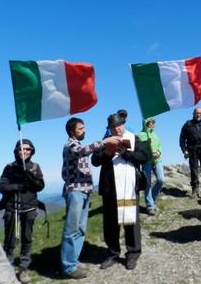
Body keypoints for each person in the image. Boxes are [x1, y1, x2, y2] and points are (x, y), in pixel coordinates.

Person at [60, 117, 120, 279]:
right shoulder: (71, 145)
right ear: (72, 131)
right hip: (75, 192)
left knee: (80, 229)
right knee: (72, 230)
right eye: (80, 128)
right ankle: (68, 266)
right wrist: (105, 141)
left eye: (84, 127)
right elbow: (84, 151)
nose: (84, 130)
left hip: (84, 192)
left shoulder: (76, 144)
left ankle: (73, 260)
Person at [92, 113, 149, 270]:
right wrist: (108, 152)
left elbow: (144, 156)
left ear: (124, 124)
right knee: (111, 222)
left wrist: (126, 153)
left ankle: (133, 253)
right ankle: (112, 253)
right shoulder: (106, 140)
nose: (117, 128)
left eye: (119, 125)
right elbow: (95, 160)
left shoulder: (134, 138)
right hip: (111, 188)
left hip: (129, 186)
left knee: (131, 221)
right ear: (110, 128)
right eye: (113, 126)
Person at [0, 139, 45, 284]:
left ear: (32, 151)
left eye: (28, 149)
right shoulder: (9, 168)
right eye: (21, 149)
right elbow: (2, 187)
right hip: (12, 207)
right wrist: (18, 186)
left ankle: (23, 268)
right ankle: (9, 266)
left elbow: (40, 186)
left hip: (29, 208)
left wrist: (30, 178)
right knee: (10, 240)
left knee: (27, 238)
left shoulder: (35, 167)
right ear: (16, 151)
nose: (24, 152)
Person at [180, 107, 201, 202]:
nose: (198, 114)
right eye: (196, 113)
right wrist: (184, 150)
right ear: (193, 114)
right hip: (192, 150)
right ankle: (195, 190)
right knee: (194, 170)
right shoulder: (188, 124)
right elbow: (182, 138)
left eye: (200, 113)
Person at [138, 117, 164, 215]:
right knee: (147, 184)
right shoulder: (140, 135)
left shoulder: (155, 134)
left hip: (157, 160)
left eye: (154, 122)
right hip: (146, 161)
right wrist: (146, 144)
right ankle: (150, 206)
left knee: (161, 180)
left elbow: (160, 144)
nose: (154, 123)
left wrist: (159, 151)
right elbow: (139, 148)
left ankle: (151, 199)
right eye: (152, 122)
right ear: (146, 123)